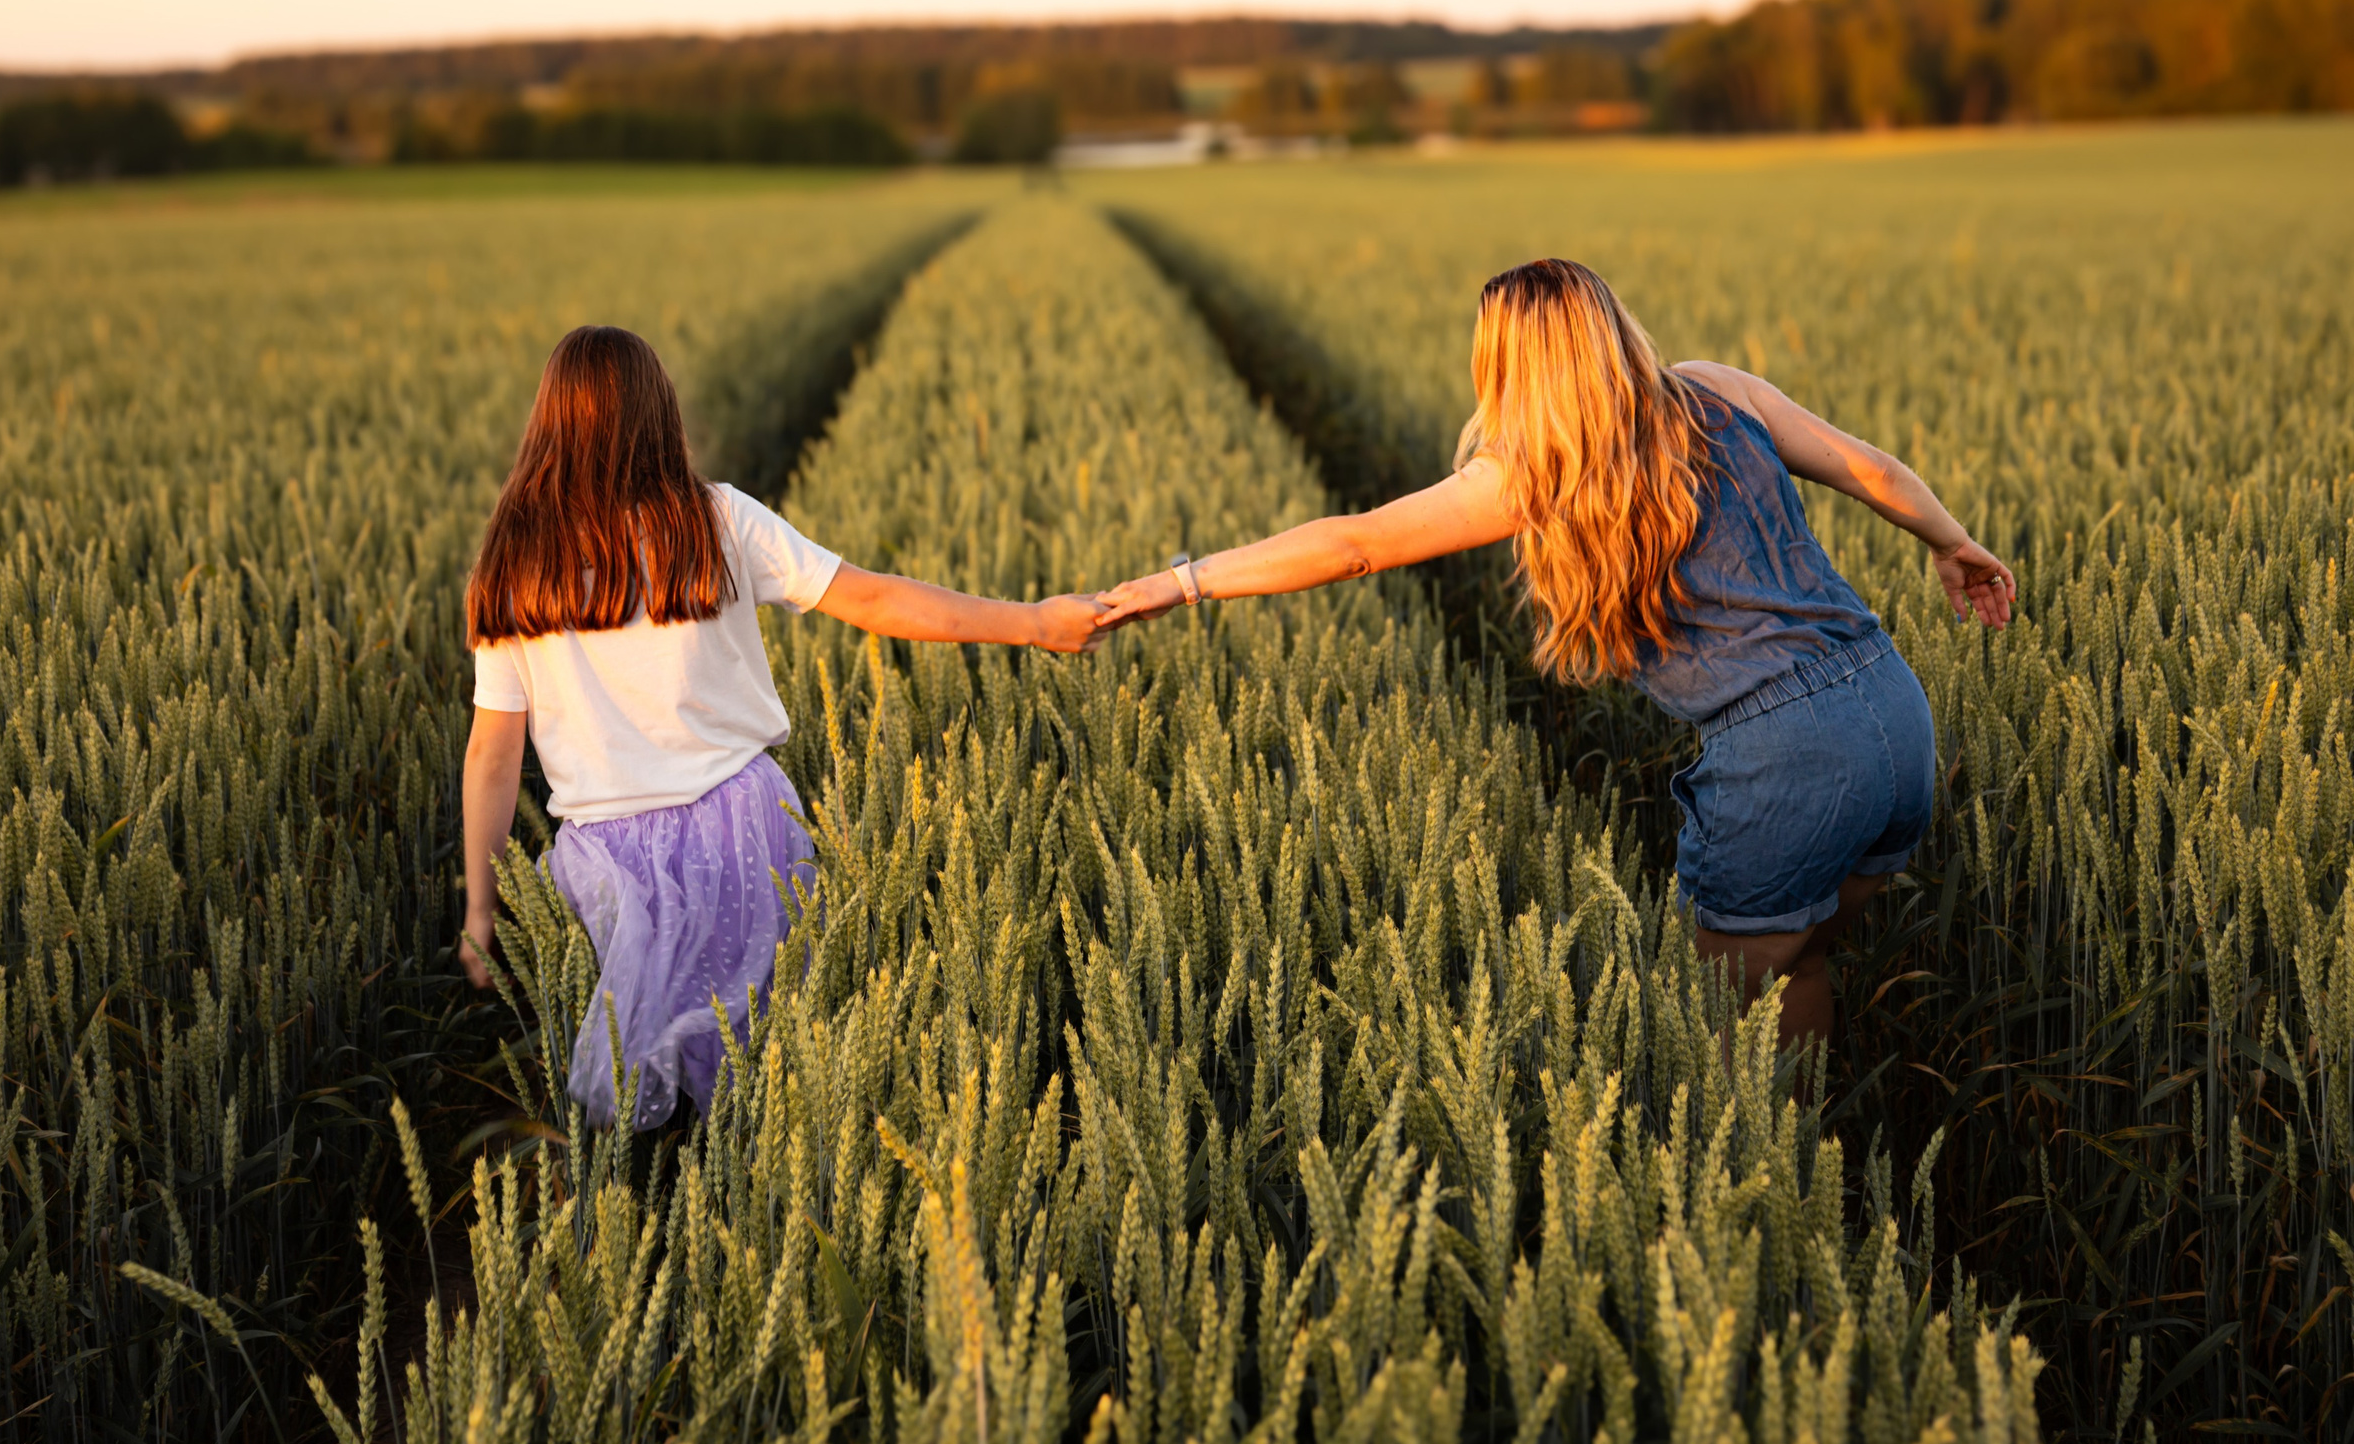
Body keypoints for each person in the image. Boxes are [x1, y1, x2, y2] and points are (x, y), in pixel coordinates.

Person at [1094, 258, 2015, 1056]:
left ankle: (1771, 1191)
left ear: (1507, 366)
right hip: (1893, 709)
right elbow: (1876, 472)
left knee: (1725, 1008)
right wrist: (1952, 542)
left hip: (1786, 757)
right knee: (1800, 957)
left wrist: (1184, 581)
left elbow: (1355, 544)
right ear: (1612, 331)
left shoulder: (1536, 472)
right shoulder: (1716, 390)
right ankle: (1813, 1154)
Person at [459, 325, 1105, 1128]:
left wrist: (482, 911)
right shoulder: (717, 522)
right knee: (764, 1076)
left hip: (609, 864)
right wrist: (1032, 621)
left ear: (547, 425)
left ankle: (638, 1223)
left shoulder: (515, 567)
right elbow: (873, 598)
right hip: (744, 834)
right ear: (659, 417)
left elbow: (493, 755)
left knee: (635, 1094)